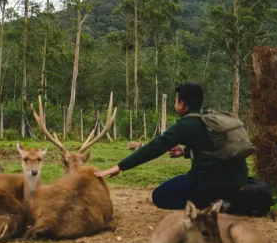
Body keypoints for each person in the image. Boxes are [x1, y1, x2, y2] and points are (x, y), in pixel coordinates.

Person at [95, 83, 248, 210]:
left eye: (175, 101)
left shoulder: (186, 123)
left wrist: (119, 167)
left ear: (182, 104)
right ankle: (226, 201)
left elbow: (154, 148)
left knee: (161, 196)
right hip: (237, 180)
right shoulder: (210, 117)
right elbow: (213, 147)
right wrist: (185, 152)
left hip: (210, 181)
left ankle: (211, 204)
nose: (175, 105)